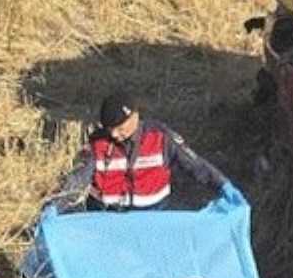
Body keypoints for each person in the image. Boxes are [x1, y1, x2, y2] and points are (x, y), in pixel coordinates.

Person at [50, 91, 230, 212]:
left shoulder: (161, 138)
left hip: (151, 219)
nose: (114, 134)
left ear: (134, 117)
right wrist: (53, 207)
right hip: (106, 221)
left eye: (120, 128)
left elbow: (196, 166)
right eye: (109, 128)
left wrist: (224, 187)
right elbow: (76, 180)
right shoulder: (97, 144)